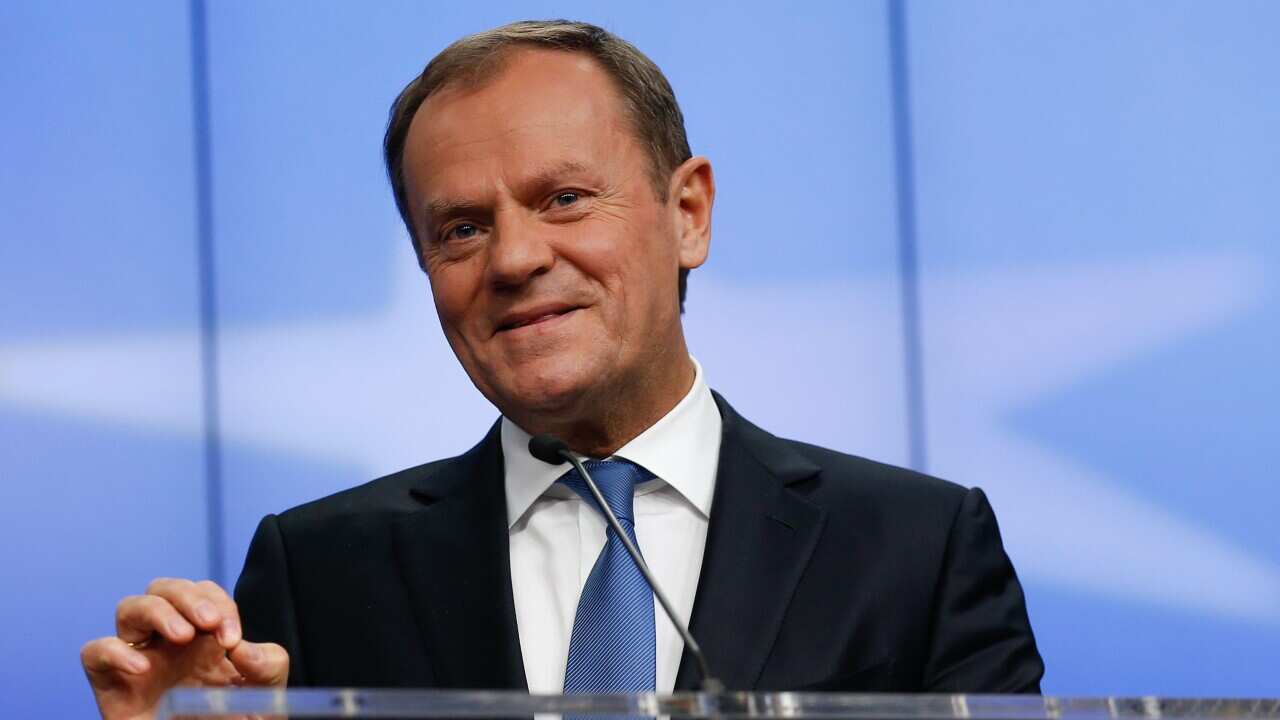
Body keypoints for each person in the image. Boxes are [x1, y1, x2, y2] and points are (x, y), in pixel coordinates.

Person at [81, 19, 1044, 719]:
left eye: (565, 199)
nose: (511, 260)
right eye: (460, 227)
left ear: (688, 214)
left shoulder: (918, 551)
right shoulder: (320, 570)